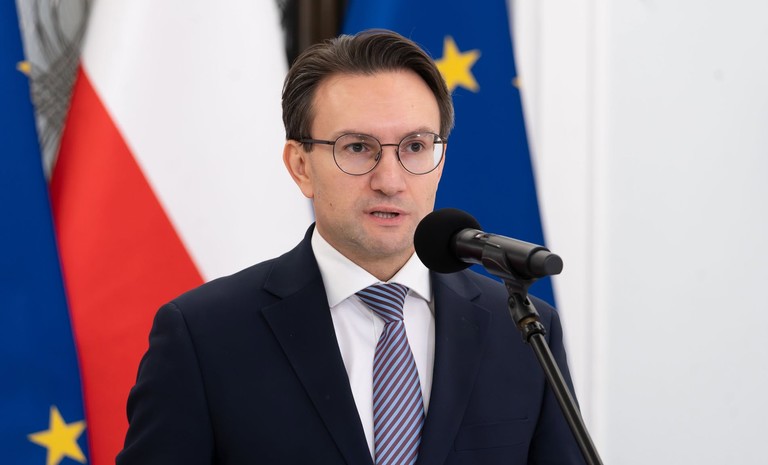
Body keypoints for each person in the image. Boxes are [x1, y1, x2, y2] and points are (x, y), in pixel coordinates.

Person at [116, 29, 585, 465]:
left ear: (440, 161)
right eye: (358, 147)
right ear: (300, 166)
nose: (390, 181)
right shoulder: (203, 335)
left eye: (415, 146)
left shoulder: (525, 329)